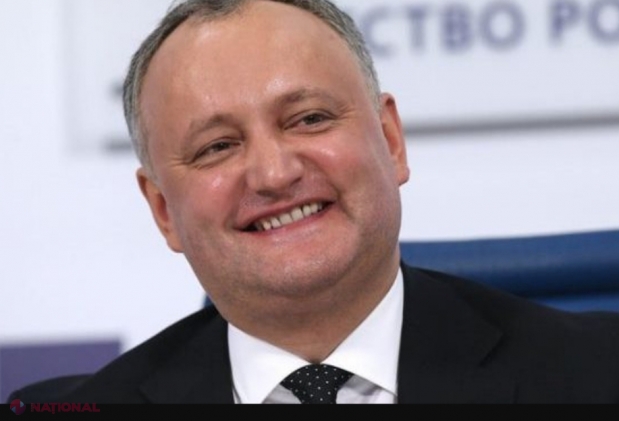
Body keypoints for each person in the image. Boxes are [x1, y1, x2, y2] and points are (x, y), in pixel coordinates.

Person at [9, 0, 619, 404]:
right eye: (218, 147)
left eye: (308, 119)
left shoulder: (599, 374)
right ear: (163, 210)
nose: (274, 174)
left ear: (391, 141)